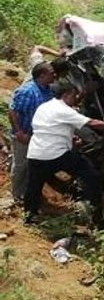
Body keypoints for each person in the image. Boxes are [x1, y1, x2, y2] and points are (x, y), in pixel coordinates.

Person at [24, 81, 104, 223]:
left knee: (34, 185)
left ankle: (29, 216)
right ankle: (96, 213)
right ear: (66, 95)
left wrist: (69, 137)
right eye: (74, 95)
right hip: (56, 154)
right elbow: (93, 123)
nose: (75, 98)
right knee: (90, 175)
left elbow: (51, 128)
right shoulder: (64, 110)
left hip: (35, 153)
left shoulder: (44, 107)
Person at [9, 63, 56, 202]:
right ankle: (17, 194)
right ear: (42, 75)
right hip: (24, 135)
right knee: (21, 165)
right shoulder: (28, 91)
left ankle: (30, 192)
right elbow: (13, 111)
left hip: (38, 136)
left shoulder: (48, 90)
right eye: (51, 73)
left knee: (34, 165)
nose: (55, 75)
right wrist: (19, 132)